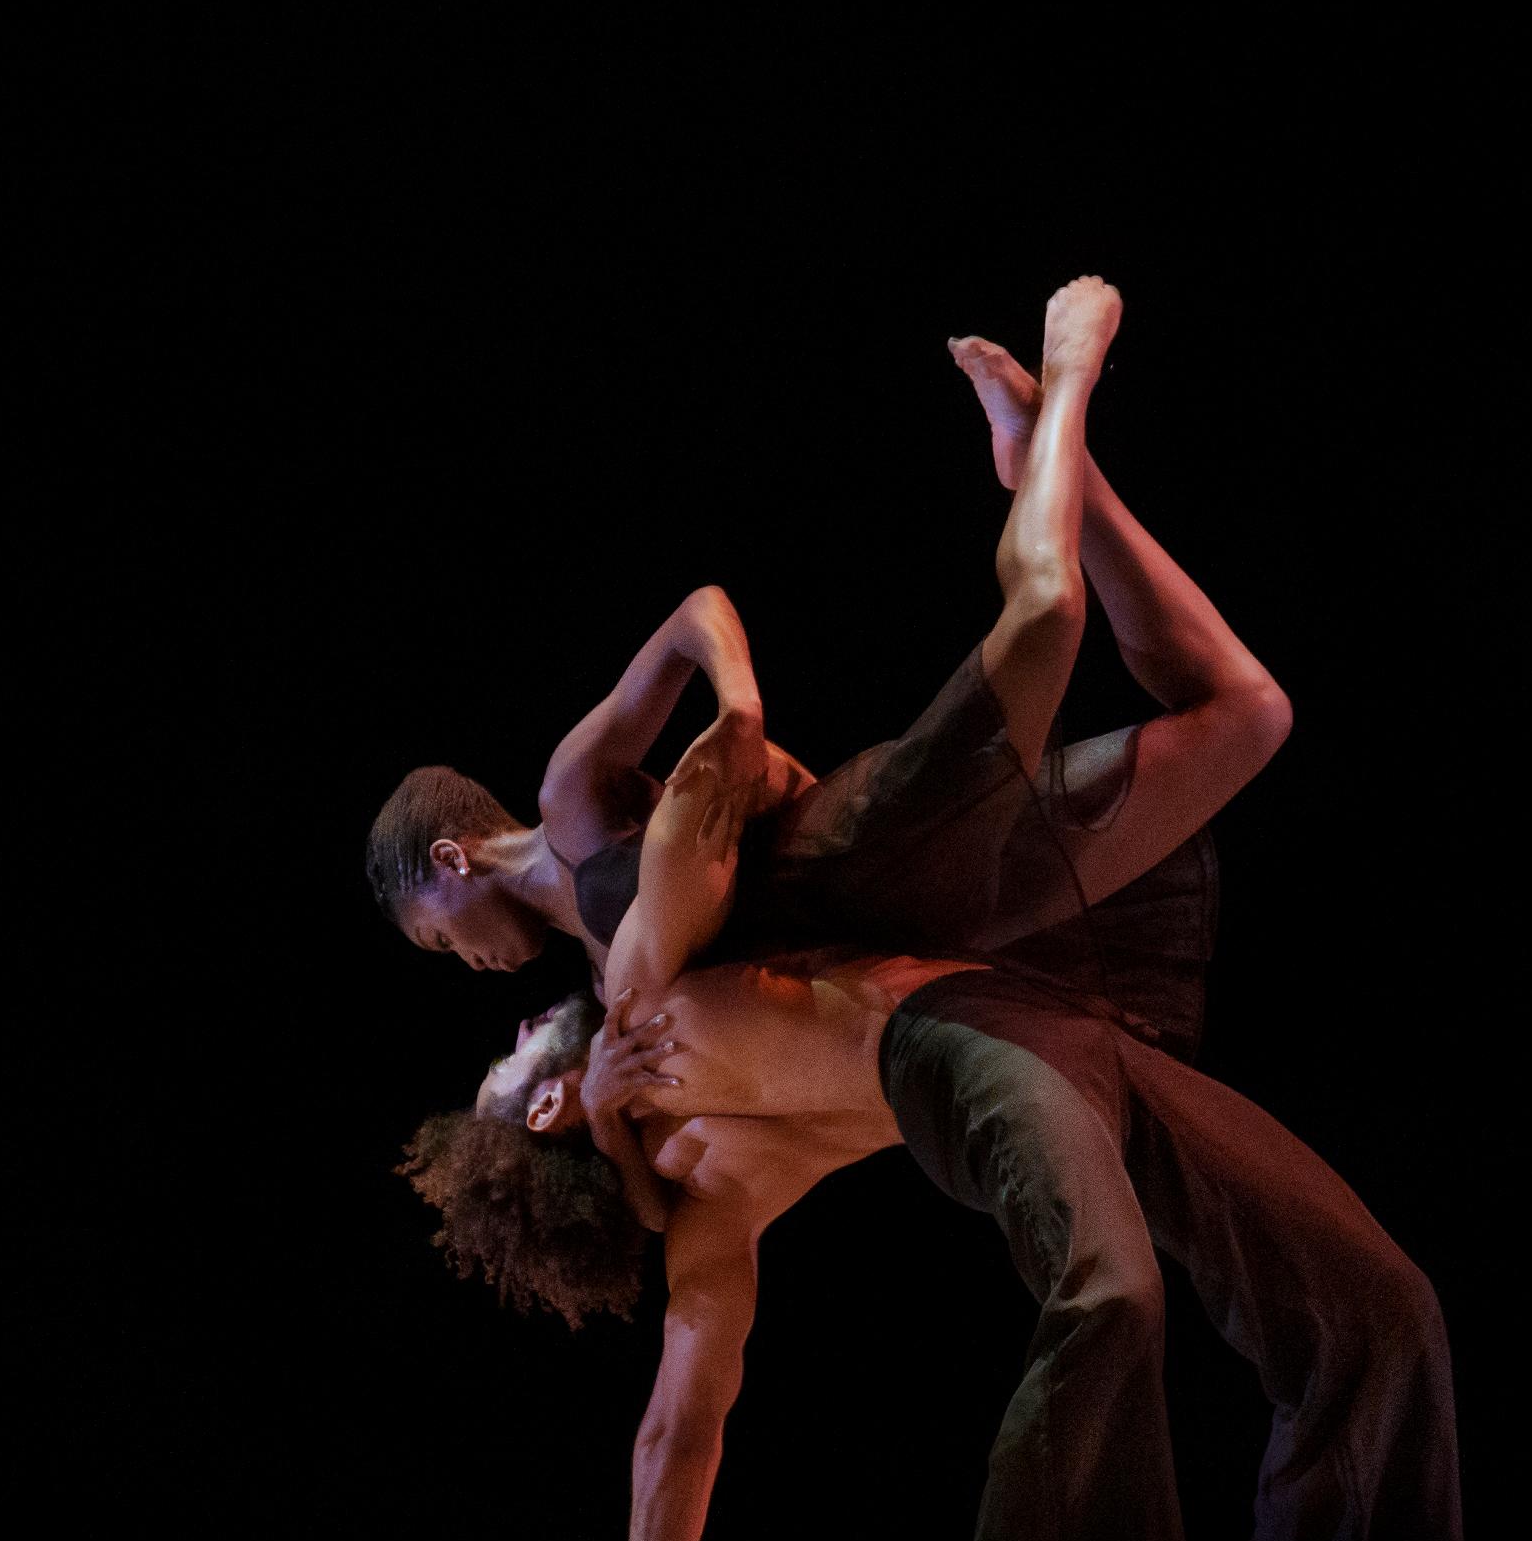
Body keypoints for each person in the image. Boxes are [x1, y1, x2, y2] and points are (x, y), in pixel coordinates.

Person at [400, 333, 1462, 1541]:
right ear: (543, 1116)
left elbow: (678, 1429)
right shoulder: (682, 1100)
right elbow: (681, 1425)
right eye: (505, 1056)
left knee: (1374, 1294)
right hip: (975, 1046)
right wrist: (614, 1084)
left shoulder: (668, 1073)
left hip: (1038, 1007)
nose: (516, 1013)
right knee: (1113, 1296)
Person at [364, 279, 1245, 1053]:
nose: (468, 964)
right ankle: (1050, 451)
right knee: (1248, 715)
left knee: (1050, 607)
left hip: (872, 836)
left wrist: (739, 711)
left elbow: (697, 613)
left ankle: (1068, 384)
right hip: (902, 931)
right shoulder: (602, 977)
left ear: (451, 859)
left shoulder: (570, 797)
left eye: (440, 940)